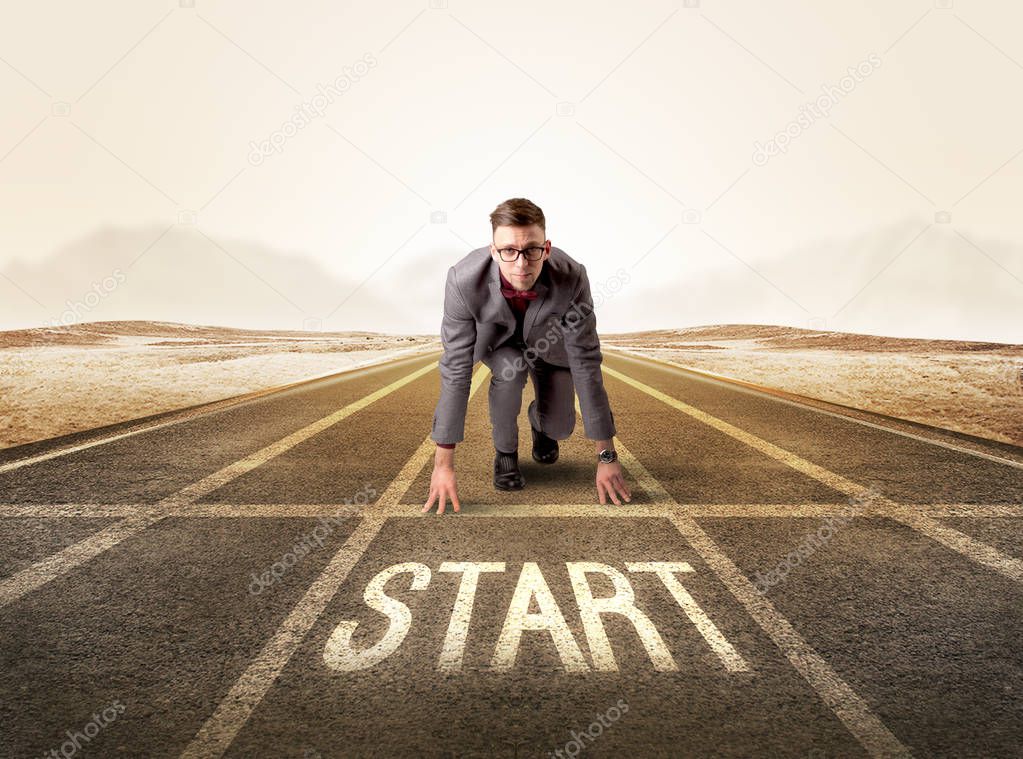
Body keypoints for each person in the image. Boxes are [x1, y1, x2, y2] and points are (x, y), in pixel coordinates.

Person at [422, 197, 632, 514]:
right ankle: (505, 453)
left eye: (531, 250)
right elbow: (456, 369)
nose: (521, 264)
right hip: (501, 345)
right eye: (509, 251)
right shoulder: (462, 280)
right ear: (494, 251)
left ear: (546, 249)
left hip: (551, 346)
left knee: (560, 427)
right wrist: (443, 463)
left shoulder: (572, 277)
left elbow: (586, 361)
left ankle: (540, 424)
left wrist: (607, 455)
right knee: (509, 374)